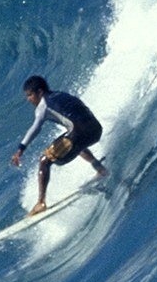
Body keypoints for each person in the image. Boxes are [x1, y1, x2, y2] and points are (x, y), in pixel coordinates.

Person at [10, 75, 107, 215]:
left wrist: (20, 150)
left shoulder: (43, 107)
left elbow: (35, 128)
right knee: (72, 142)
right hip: (96, 130)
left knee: (44, 161)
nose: (28, 99)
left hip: (80, 133)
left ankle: (40, 203)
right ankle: (100, 168)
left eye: (30, 95)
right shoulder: (61, 94)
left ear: (40, 92)